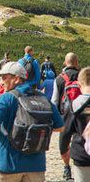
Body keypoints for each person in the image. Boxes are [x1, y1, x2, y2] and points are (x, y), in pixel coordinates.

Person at [0, 61, 64, 182]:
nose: (1, 81)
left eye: (4, 77)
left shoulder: (6, 98)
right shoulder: (43, 98)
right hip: (36, 166)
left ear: (16, 79)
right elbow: (60, 127)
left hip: (9, 164)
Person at [52, 52, 81, 180]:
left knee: (64, 143)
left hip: (65, 116)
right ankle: (81, 167)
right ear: (76, 62)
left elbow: (54, 100)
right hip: (82, 116)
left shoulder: (59, 79)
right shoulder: (83, 77)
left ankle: (66, 168)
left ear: (65, 62)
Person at [60, 67, 90, 181]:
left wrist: (63, 151)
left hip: (81, 154)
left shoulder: (74, 106)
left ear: (79, 84)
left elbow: (65, 133)